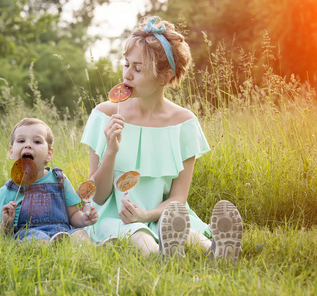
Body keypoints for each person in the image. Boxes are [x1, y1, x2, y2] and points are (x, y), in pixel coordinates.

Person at [80, 16, 243, 260]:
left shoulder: (183, 123)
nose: (127, 75)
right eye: (126, 64)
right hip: (116, 218)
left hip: (164, 215)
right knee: (138, 234)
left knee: (186, 230)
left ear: (164, 77)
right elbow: (99, 196)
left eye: (138, 68)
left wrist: (145, 215)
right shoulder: (104, 115)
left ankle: (217, 251)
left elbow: (178, 198)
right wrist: (111, 151)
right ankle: (165, 256)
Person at [0, 118, 98, 243]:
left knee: (80, 234)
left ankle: (96, 249)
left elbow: (73, 214)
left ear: (49, 154)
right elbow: (2, 236)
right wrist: (7, 223)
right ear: (11, 152)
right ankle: (49, 248)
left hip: (62, 231)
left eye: (37, 141)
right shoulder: (9, 190)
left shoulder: (60, 180)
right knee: (39, 240)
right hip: (29, 234)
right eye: (21, 140)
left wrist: (83, 219)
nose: (28, 145)